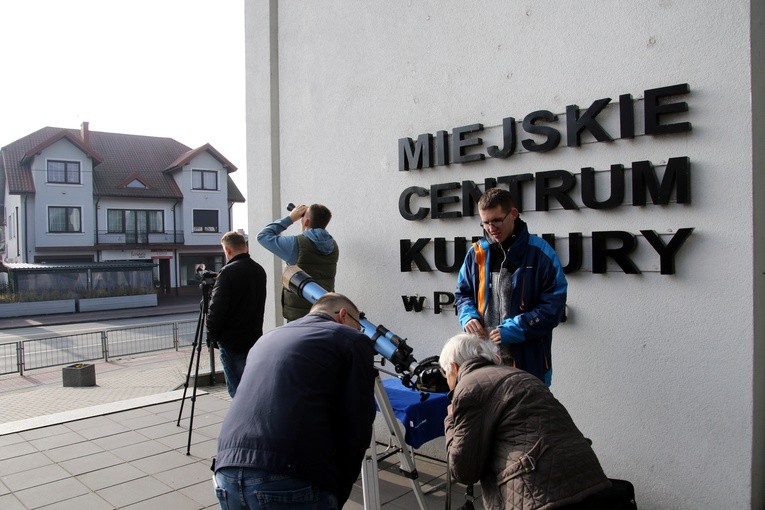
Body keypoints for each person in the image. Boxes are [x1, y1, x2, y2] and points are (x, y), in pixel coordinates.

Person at [213, 293, 377, 510]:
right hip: (287, 476)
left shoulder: (268, 338)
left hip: (226, 470)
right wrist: (338, 491)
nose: (359, 330)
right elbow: (357, 425)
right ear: (343, 315)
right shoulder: (351, 340)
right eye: (358, 324)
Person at [440, 333, 611, 510]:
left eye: (446, 374)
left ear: (454, 367)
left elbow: (463, 471)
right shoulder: (519, 374)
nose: (447, 381)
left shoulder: (469, 386)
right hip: (586, 475)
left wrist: (451, 418)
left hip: (539, 491)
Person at [455, 187, 567, 386]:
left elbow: (553, 307)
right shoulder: (476, 253)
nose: (490, 228)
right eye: (485, 222)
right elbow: (462, 295)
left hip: (528, 364)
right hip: (482, 361)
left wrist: (512, 330)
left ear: (513, 214)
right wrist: (468, 316)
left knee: (529, 417)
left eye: (496, 220)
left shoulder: (541, 253)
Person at [206, 231, 267, 399]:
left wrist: (211, 335)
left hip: (232, 342)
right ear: (245, 247)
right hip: (253, 337)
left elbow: (216, 309)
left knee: (238, 392)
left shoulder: (227, 272)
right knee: (252, 387)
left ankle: (243, 423)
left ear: (227, 250)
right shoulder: (259, 270)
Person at [257, 203, 339, 320]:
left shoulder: (296, 244)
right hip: (324, 310)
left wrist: (291, 218)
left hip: (299, 316)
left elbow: (262, 236)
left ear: (306, 222)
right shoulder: (333, 245)